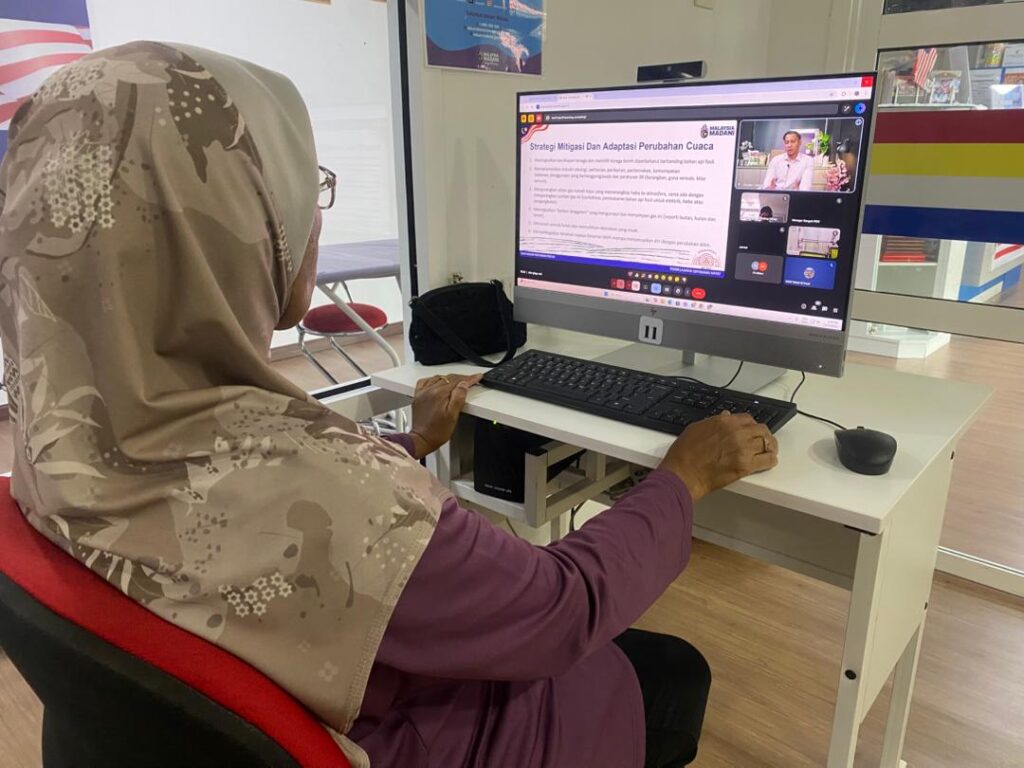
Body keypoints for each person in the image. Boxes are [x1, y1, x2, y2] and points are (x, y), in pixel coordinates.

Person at [0, 43, 779, 768]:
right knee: (674, 672)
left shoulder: (56, 438)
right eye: (296, 192)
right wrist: (681, 480)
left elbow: (264, 522)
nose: (313, 217)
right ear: (228, 231)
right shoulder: (342, 498)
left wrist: (404, 449)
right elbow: (562, 607)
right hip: (423, 737)